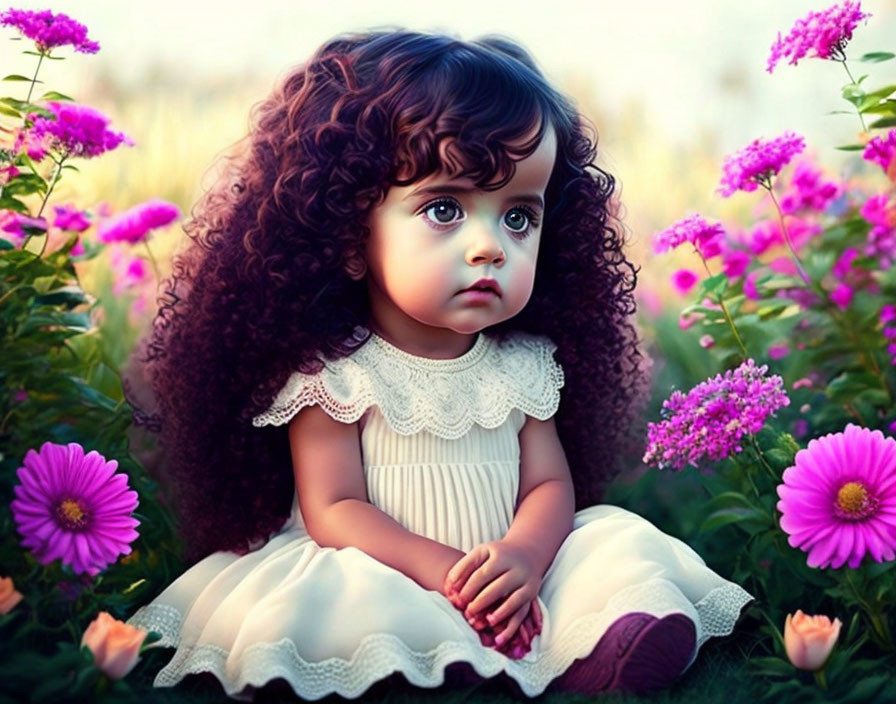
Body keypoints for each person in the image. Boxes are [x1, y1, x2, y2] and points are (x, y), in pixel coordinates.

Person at [123, 28, 753, 701]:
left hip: (506, 567)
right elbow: (334, 508)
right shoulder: (334, 372)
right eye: (444, 208)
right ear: (349, 235)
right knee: (357, 606)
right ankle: (399, 670)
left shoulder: (523, 364)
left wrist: (523, 558)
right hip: (382, 564)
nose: (490, 247)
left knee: (613, 546)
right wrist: (445, 571)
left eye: (519, 216)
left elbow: (548, 489)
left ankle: (604, 653)